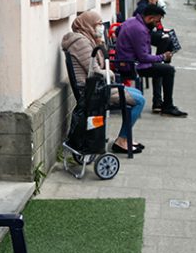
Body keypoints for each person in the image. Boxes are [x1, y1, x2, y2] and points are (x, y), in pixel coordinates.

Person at [61, 10, 147, 154]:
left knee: (137, 93)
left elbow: (98, 65)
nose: (101, 27)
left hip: (97, 87)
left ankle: (125, 138)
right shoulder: (80, 42)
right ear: (88, 25)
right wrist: (110, 73)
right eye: (98, 24)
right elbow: (95, 70)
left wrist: (100, 42)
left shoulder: (87, 39)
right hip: (93, 91)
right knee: (139, 100)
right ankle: (122, 140)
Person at [114, 4, 187, 117]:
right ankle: (167, 107)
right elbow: (143, 58)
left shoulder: (132, 20)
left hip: (126, 61)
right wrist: (162, 57)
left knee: (160, 67)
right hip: (132, 66)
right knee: (169, 70)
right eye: (157, 21)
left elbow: (117, 31)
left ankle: (160, 103)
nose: (157, 24)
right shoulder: (140, 30)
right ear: (149, 18)